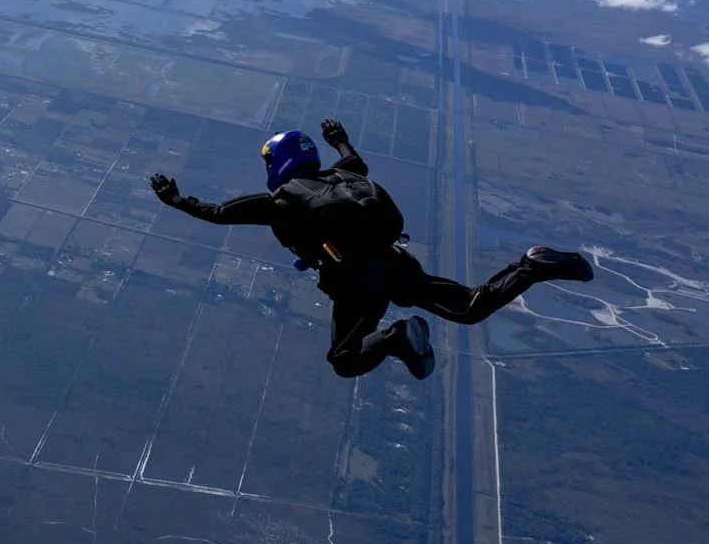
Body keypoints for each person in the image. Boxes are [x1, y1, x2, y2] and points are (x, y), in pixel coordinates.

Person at [149, 119, 594, 379]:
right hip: (395, 260)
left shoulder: (281, 201)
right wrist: (337, 137)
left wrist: (174, 199)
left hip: (358, 283)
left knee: (344, 358)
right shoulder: (344, 176)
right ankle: (534, 265)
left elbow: (218, 213)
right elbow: (355, 158)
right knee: (470, 306)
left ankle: (396, 337)